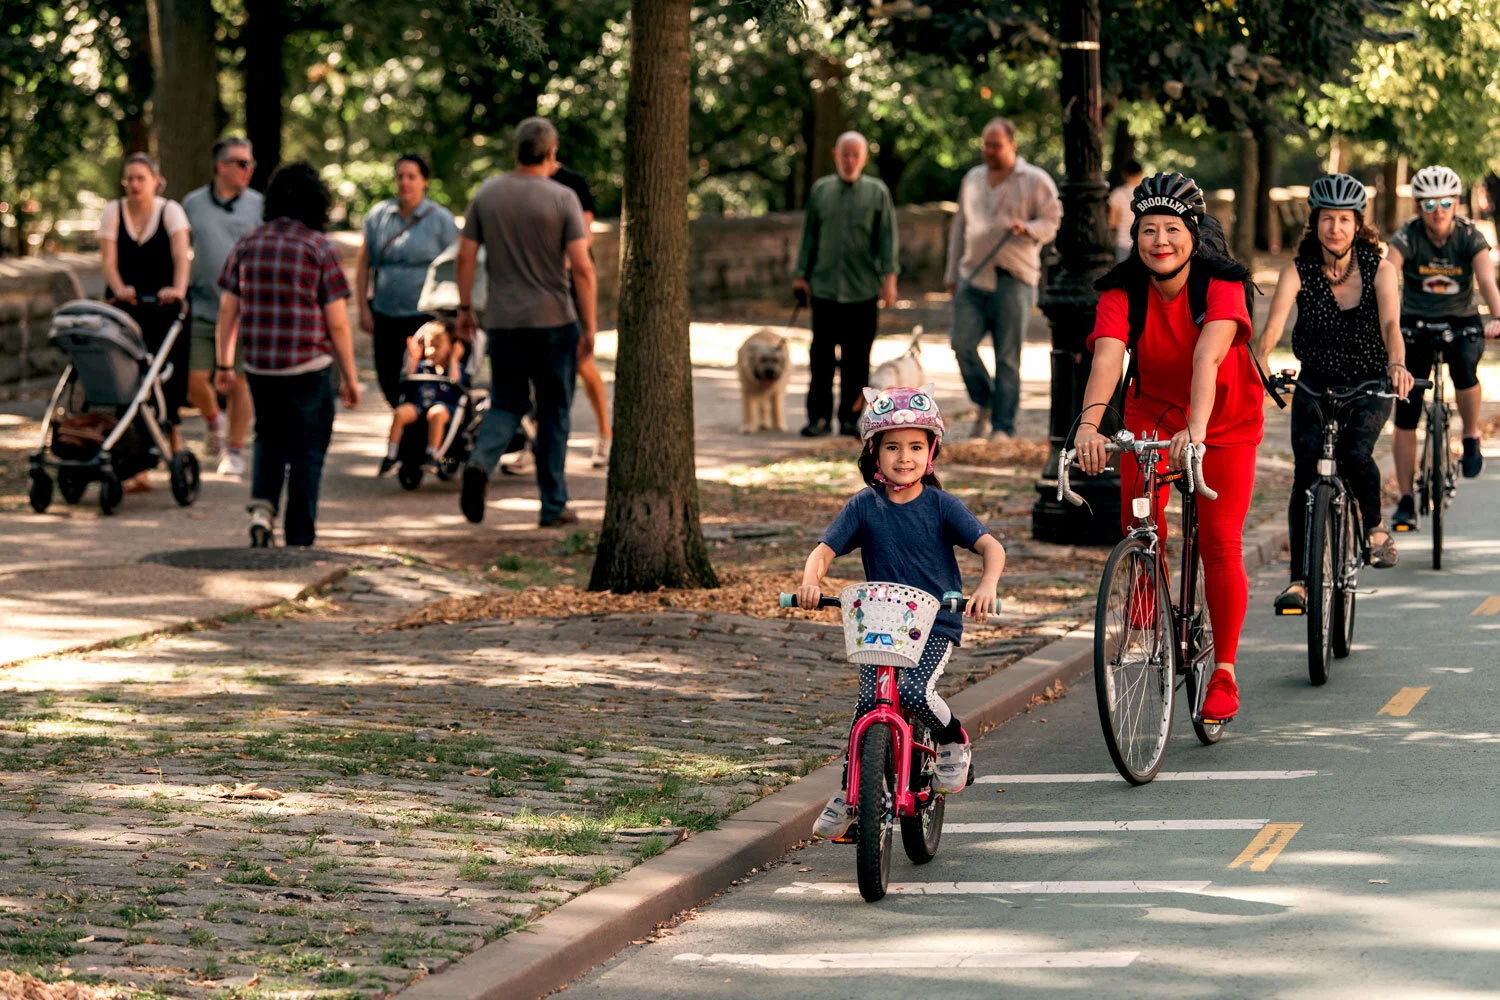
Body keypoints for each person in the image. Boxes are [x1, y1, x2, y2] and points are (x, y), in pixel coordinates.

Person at [1074, 172, 1263, 724]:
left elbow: (1208, 357)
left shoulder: (1220, 283)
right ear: (1135, 235)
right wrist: (1091, 427)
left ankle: (1223, 670)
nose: (1161, 240)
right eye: (1148, 229)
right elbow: (1108, 356)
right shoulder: (1122, 288)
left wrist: (1197, 432)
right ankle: (1145, 603)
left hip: (1222, 417)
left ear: (1193, 233)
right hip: (1151, 411)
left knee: (1220, 541)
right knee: (1138, 519)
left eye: (1173, 229)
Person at [795, 385, 1005, 840]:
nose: (903, 457)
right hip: (880, 628)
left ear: (931, 453)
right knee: (867, 706)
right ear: (874, 453)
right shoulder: (864, 506)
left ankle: (953, 741)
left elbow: (991, 547)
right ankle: (852, 793)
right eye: (892, 447)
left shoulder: (941, 505)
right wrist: (812, 581)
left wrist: (986, 586)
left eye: (915, 446)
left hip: (934, 625)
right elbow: (823, 551)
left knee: (911, 690)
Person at [1255, 174, 1415, 613]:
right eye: (1328, 219)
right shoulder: (1298, 271)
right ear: (1316, 222)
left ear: (1357, 224)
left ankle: (1376, 527)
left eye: (1345, 219)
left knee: (1355, 452)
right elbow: (1271, 329)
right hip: (1314, 382)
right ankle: (1299, 583)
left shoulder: (1379, 269)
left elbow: (1390, 327)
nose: (1336, 228)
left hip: (1368, 383)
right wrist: (1262, 361)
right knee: (1305, 473)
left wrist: (1396, 365)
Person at [455, 117, 597, 528]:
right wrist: (589, 326)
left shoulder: (488, 193)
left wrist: (466, 309)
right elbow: (583, 269)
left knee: (507, 402)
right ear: (551, 154)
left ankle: (480, 462)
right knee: (554, 412)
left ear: (516, 151)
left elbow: (466, 255)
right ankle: (553, 506)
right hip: (554, 321)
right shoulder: (562, 198)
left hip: (503, 321)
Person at [214, 163, 361, 548]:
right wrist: (349, 376)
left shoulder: (248, 245)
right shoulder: (318, 248)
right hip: (308, 368)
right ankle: (299, 536)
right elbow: (338, 325)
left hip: (260, 367)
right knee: (308, 451)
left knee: (268, 436)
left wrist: (225, 363)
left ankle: (262, 507)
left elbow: (229, 310)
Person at [1387, 165, 1500, 526]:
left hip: (1460, 320)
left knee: (1466, 368)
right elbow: (1388, 274)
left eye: (1446, 202)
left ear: (1456, 204)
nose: (1439, 210)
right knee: (1406, 408)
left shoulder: (1469, 237)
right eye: (1430, 203)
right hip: (1414, 324)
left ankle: (1469, 437)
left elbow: (1486, 280)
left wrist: (1497, 316)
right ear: (1419, 206)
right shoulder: (1406, 237)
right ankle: (1405, 498)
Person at [945, 118, 1062, 441]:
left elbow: (1053, 220)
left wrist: (1029, 229)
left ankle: (1002, 427)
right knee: (961, 344)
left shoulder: (1035, 180)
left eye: (995, 145)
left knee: (1007, 356)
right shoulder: (972, 178)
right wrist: (951, 273)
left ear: (1012, 145)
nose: (989, 151)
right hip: (973, 275)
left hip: (1015, 278)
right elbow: (959, 227)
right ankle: (986, 400)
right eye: (985, 144)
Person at [791, 131, 900, 438]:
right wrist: (801, 274)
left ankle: (852, 418)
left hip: (863, 289)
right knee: (821, 358)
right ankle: (819, 417)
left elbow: (887, 239)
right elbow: (809, 235)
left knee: (857, 359)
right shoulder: (821, 190)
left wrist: (889, 280)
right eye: (845, 154)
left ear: (864, 158)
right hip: (824, 288)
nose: (850, 160)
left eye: (855, 155)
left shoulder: (877, 192)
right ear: (835, 155)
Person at [99, 152, 192, 491]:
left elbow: (182, 257)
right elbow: (108, 260)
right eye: (130, 179)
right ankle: (137, 467)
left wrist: (178, 291)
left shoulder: (171, 212)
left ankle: (175, 449)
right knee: (129, 381)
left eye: (141, 178)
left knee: (167, 380)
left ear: (156, 180)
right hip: (128, 308)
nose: (135, 184)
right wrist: (119, 286)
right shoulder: (114, 212)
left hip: (165, 308)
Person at [181, 137, 262, 477]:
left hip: (246, 312)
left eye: (250, 164)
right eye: (241, 163)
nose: (248, 170)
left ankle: (235, 449)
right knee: (194, 378)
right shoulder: (192, 204)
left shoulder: (259, 204)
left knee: (241, 381)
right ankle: (215, 421)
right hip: (203, 304)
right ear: (221, 166)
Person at [357, 153, 459, 408]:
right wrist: (362, 308)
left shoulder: (441, 220)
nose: (405, 182)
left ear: (424, 181)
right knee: (387, 375)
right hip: (385, 312)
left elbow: (458, 263)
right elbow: (363, 264)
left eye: (411, 177)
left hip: (424, 316)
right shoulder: (378, 216)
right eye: (400, 176)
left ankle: (418, 435)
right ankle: (402, 419)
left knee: (422, 377)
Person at [550, 157, 612, 469]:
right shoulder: (524, 182)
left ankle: (605, 433)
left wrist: (559, 267)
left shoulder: (572, 182)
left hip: (566, 281)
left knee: (583, 363)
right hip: (540, 284)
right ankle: (535, 443)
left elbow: (583, 237)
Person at [378, 319, 466, 477]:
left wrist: (454, 358)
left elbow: (456, 382)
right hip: (419, 405)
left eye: (437, 346)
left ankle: (432, 454)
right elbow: (408, 377)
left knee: (436, 413)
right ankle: (391, 455)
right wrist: (413, 357)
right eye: (428, 345)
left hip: (444, 408)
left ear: (452, 347)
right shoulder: (423, 366)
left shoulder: (455, 367)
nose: (431, 351)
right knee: (400, 413)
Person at [1108, 160, 1146, 263]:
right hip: (1144, 241)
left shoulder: (1117, 194)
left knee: (1124, 276)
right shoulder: (1147, 193)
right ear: (1141, 173)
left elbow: (1113, 222)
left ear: (1124, 175)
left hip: (1123, 242)